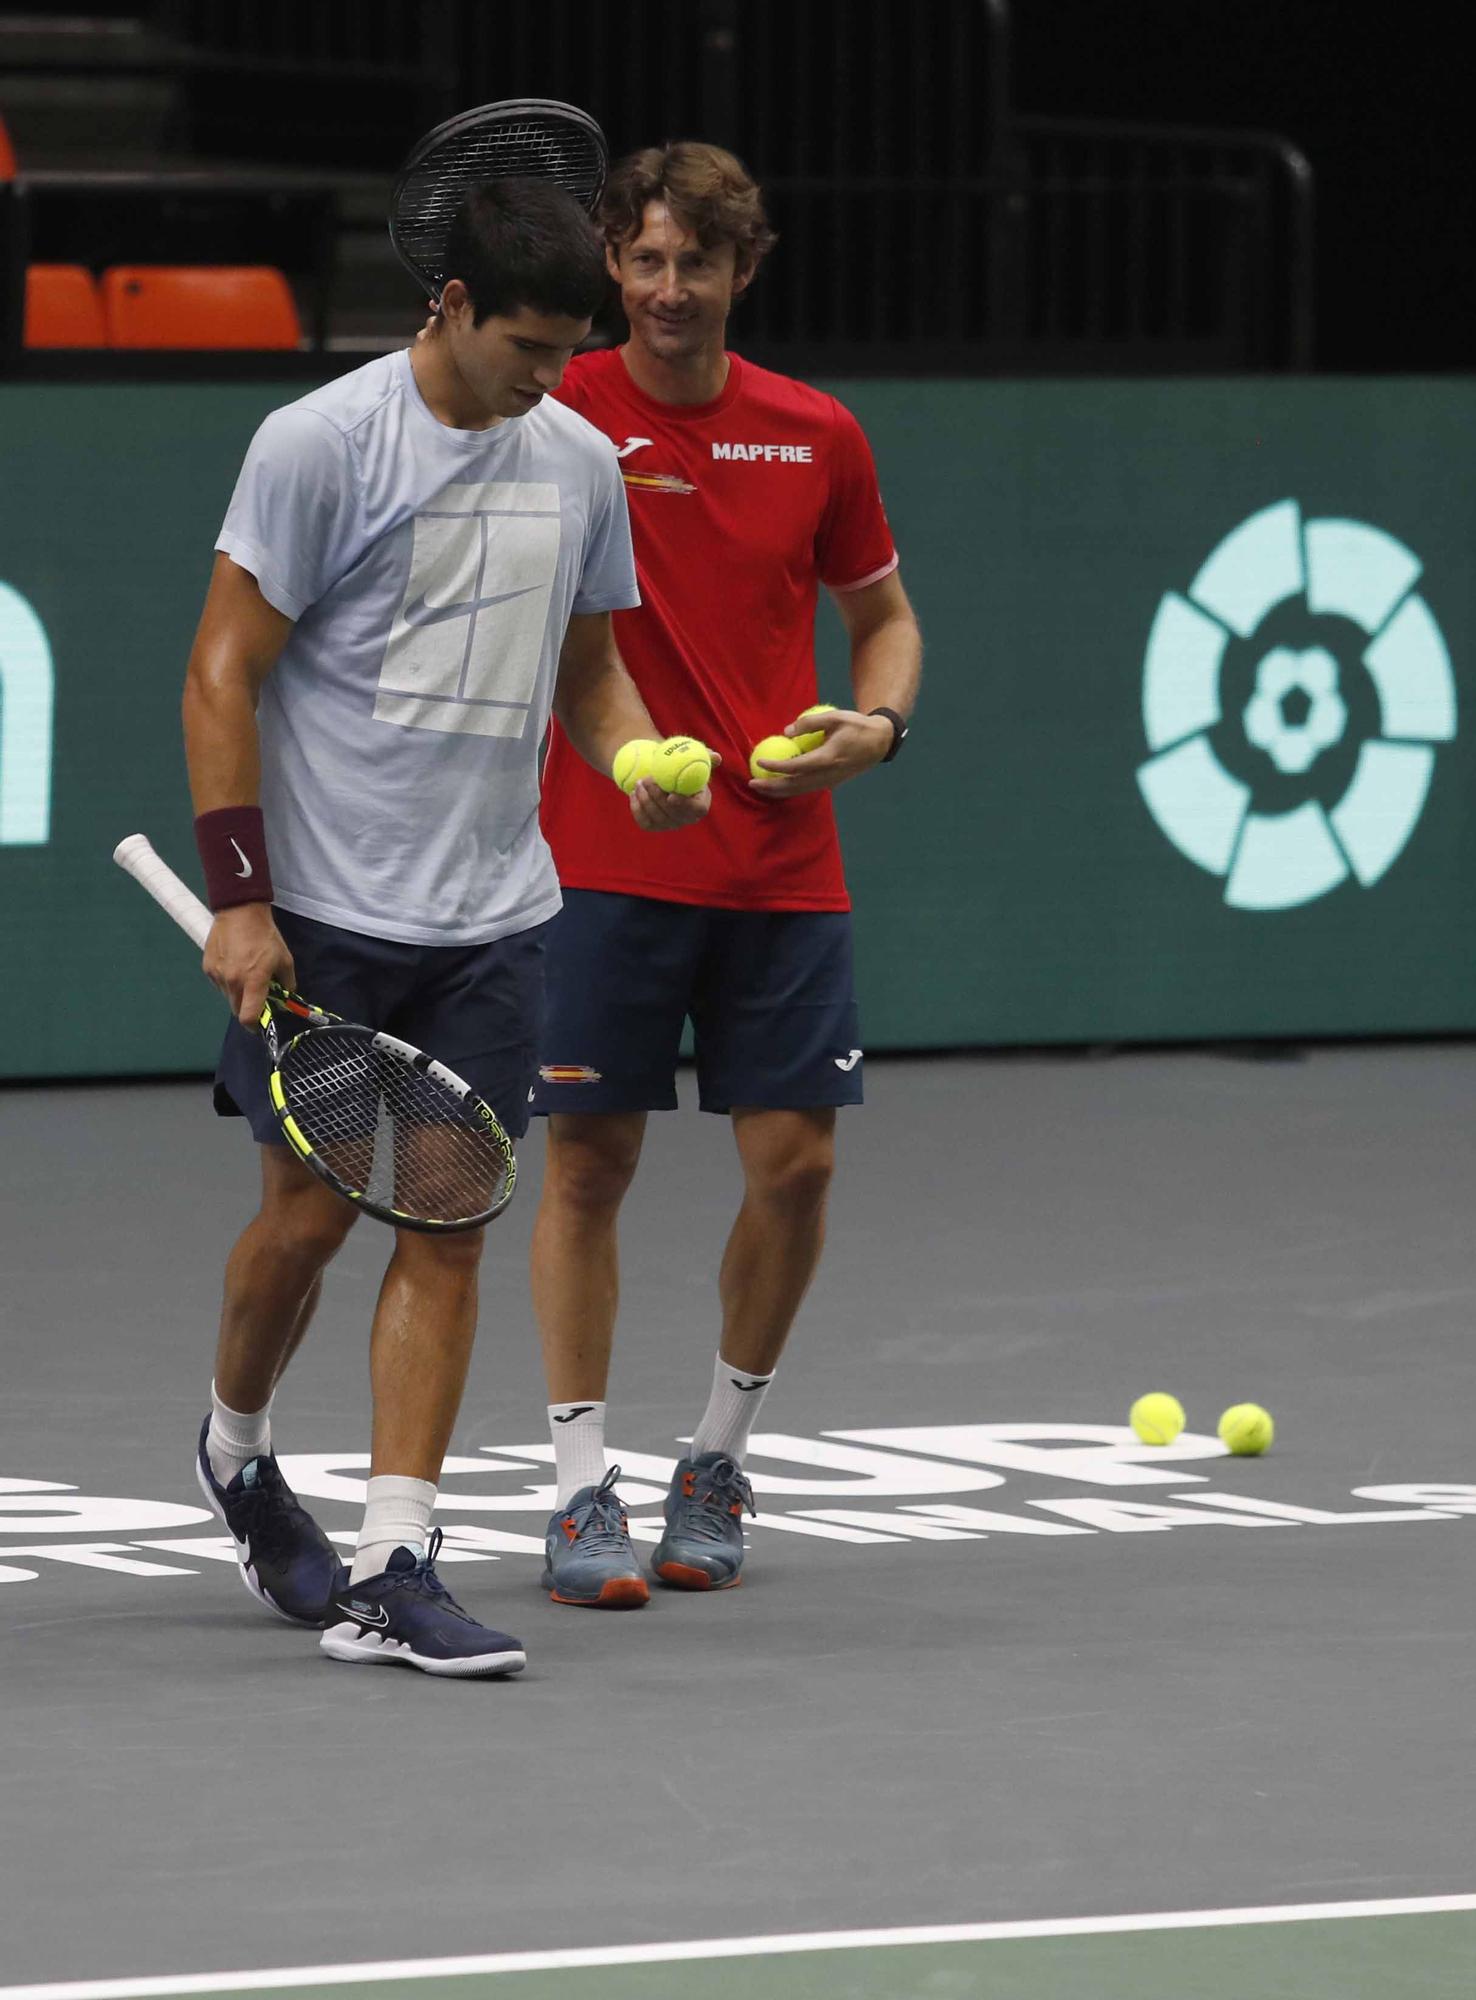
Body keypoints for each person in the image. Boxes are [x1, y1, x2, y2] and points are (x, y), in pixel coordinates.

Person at [184, 176, 709, 1677]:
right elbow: (223, 671)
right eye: (525, 345)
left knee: (449, 1223)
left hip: (492, 917)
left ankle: (397, 1560)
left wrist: (633, 761)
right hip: (331, 912)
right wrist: (242, 894)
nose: (549, 377)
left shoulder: (582, 464)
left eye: (567, 349)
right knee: (304, 1223)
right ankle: (234, 1448)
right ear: (452, 306)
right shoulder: (319, 445)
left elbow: (591, 675)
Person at [531, 142, 922, 1606]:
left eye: (698, 262)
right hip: (605, 852)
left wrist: (876, 727)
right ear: (610, 271)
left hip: (782, 859)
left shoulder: (815, 432)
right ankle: (579, 1489)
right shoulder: (560, 407)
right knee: (589, 1164)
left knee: (799, 1164)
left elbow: (885, 620)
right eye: (643, 260)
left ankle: (716, 1454)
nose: (670, 290)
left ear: (744, 271)